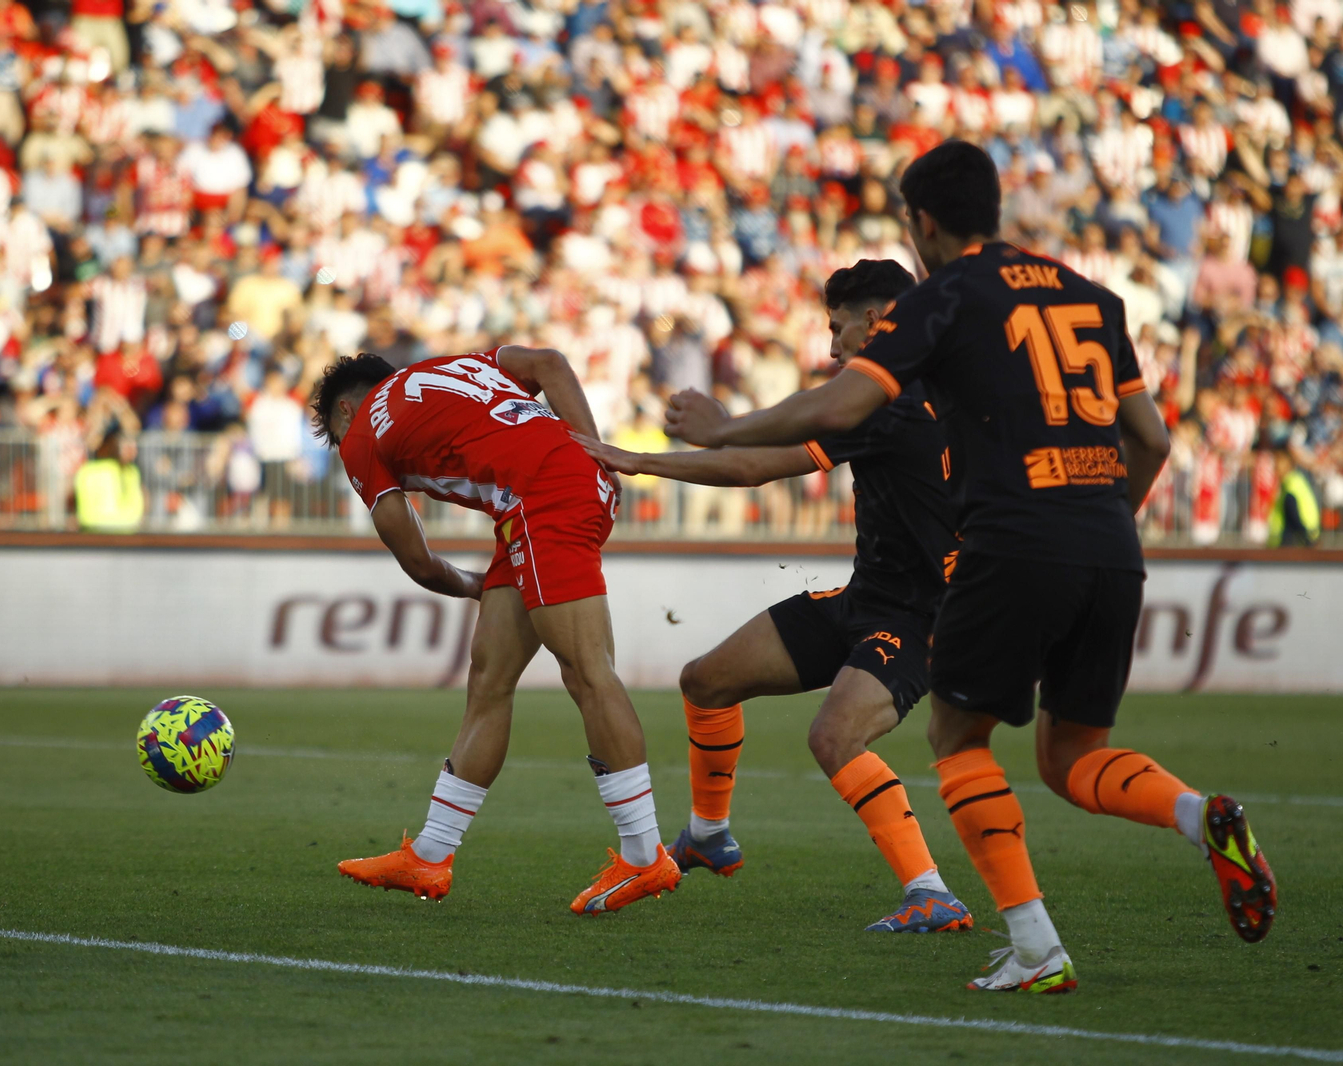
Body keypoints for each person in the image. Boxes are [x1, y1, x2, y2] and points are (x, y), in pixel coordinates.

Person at [661, 140, 1275, 992]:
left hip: (1010, 547)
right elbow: (1155, 440)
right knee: (1072, 756)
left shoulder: (943, 297)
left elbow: (846, 400)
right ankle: (1195, 812)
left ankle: (1030, 945)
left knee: (958, 741)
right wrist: (1101, 523)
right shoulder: (1092, 296)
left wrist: (722, 426)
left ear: (923, 223)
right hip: (1107, 541)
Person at [575, 260, 972, 933]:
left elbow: (756, 467)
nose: (833, 346)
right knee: (707, 681)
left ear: (877, 322)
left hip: (927, 617)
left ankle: (932, 893)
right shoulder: (937, 388)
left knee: (835, 736)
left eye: (838, 328)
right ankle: (707, 834)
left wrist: (641, 461)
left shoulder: (886, 400)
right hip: (865, 601)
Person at [314, 347, 681, 915]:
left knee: (587, 673)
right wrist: (599, 455)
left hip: (542, 495)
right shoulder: (454, 364)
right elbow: (553, 364)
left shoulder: (362, 430)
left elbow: (414, 557)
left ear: (344, 409)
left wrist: (468, 584)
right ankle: (431, 854)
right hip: (550, 491)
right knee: (489, 678)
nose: (345, 449)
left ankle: (643, 853)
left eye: (336, 436)